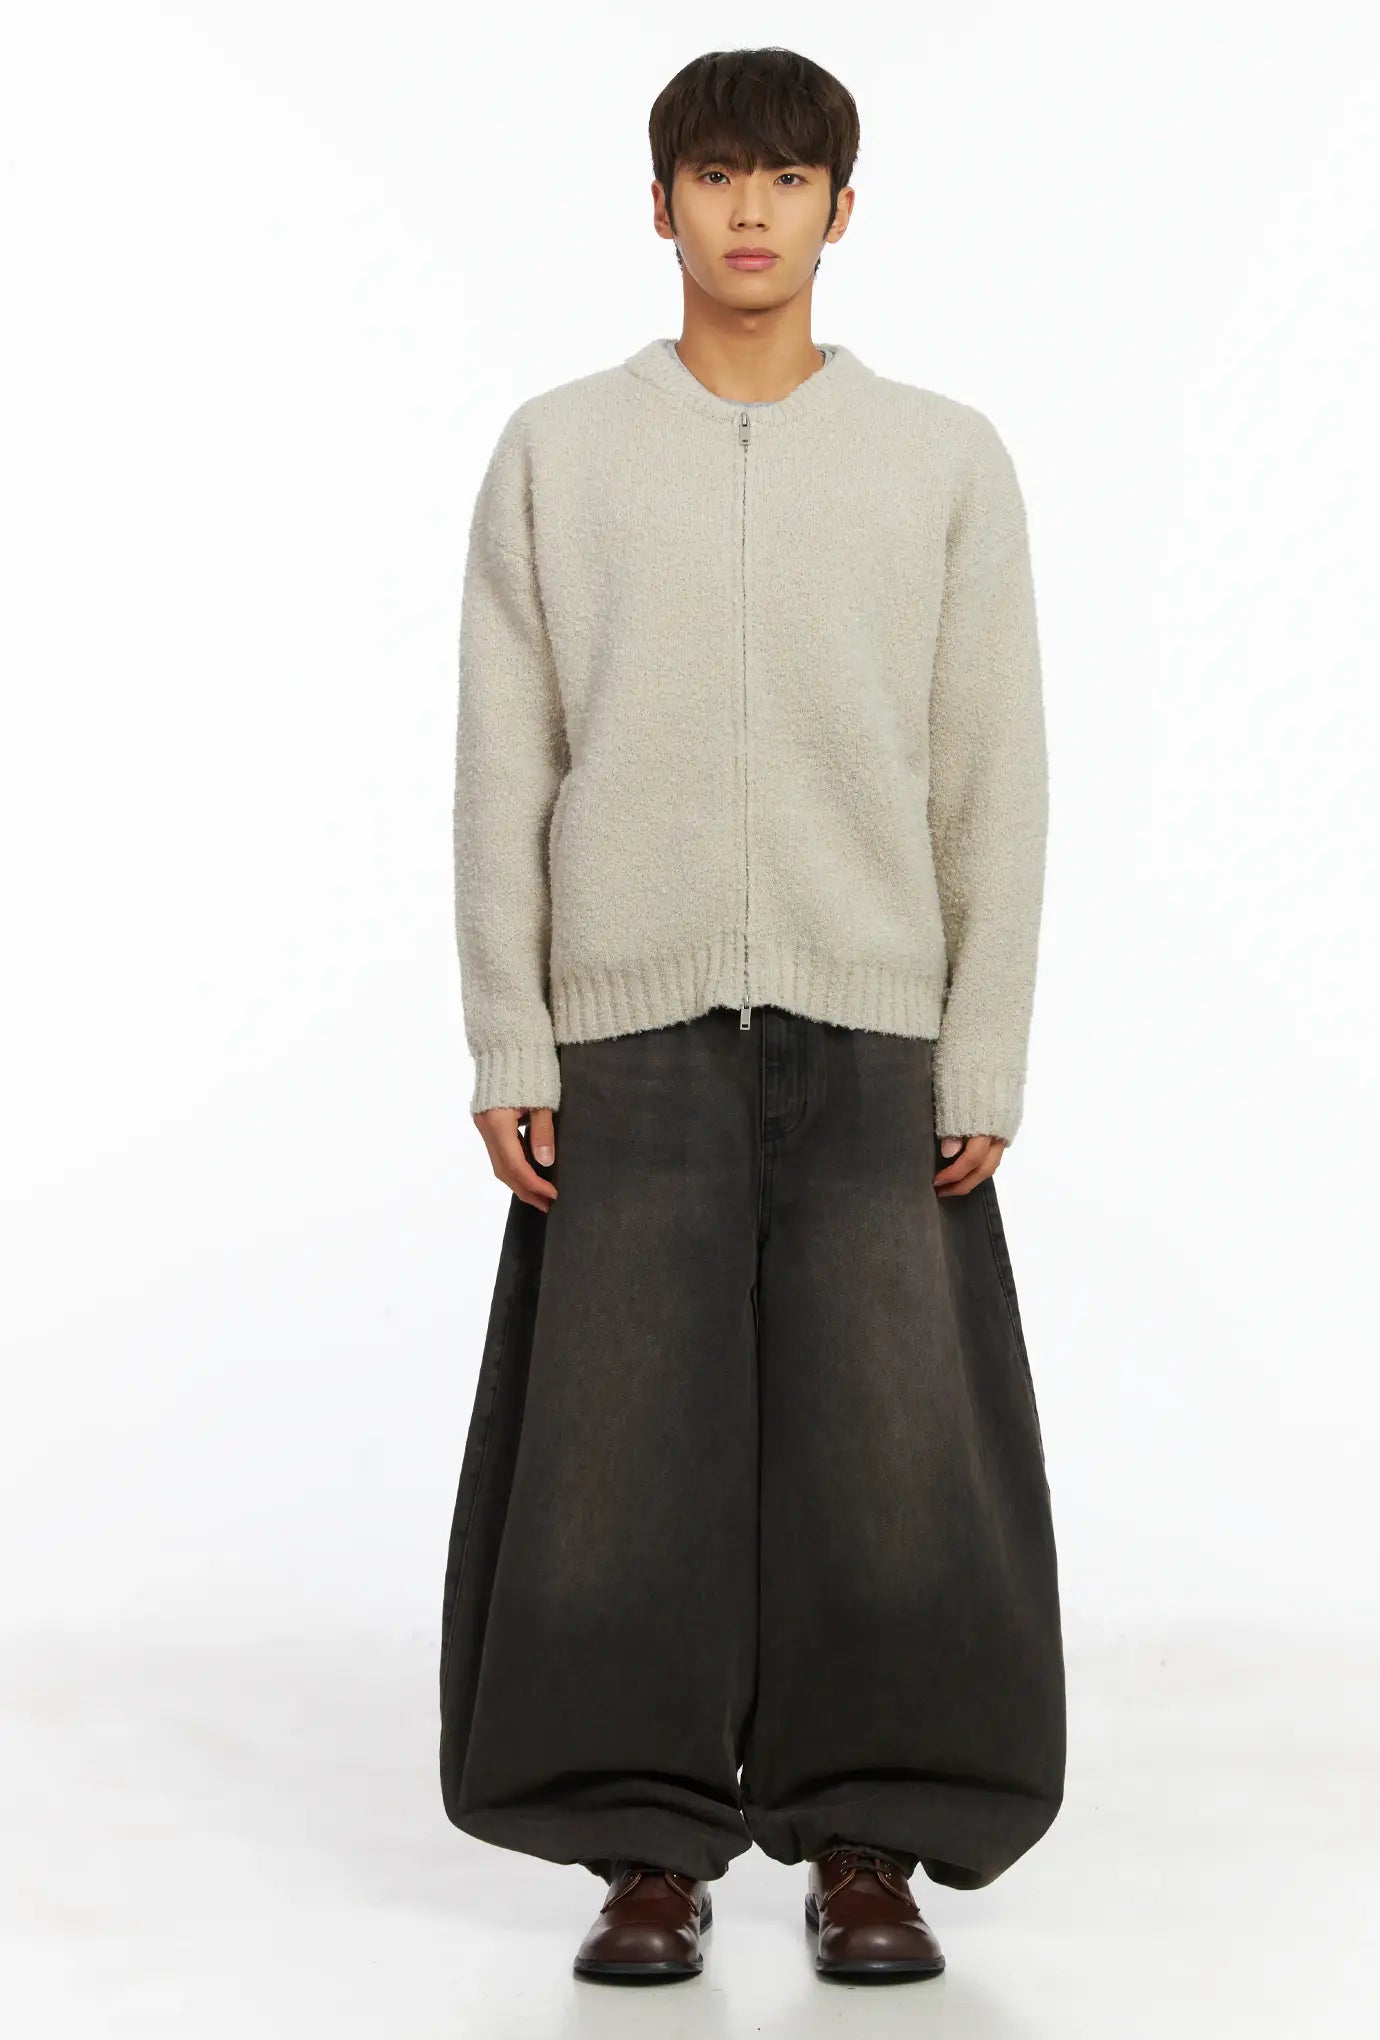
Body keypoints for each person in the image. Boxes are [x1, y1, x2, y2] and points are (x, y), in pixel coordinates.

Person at [439, 44, 1065, 1987]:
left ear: (842, 210)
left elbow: (992, 772)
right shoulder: (558, 450)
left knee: (893, 1457)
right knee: (619, 1459)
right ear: (660, 204)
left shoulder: (942, 459)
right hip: (626, 1041)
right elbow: (504, 762)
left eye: (789, 179)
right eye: (717, 175)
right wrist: (510, 1034)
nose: (751, 211)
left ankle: (871, 1841)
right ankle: (644, 1847)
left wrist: (983, 1043)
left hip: (876, 1028)